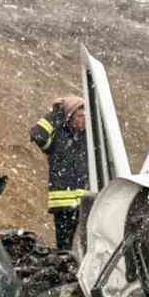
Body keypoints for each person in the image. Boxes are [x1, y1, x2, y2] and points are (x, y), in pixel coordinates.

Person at [30, 95, 89, 250]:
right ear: (69, 117)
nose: (83, 120)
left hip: (84, 203)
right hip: (62, 203)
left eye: (85, 116)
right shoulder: (57, 137)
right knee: (64, 248)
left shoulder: (87, 137)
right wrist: (57, 114)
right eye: (79, 116)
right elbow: (38, 134)